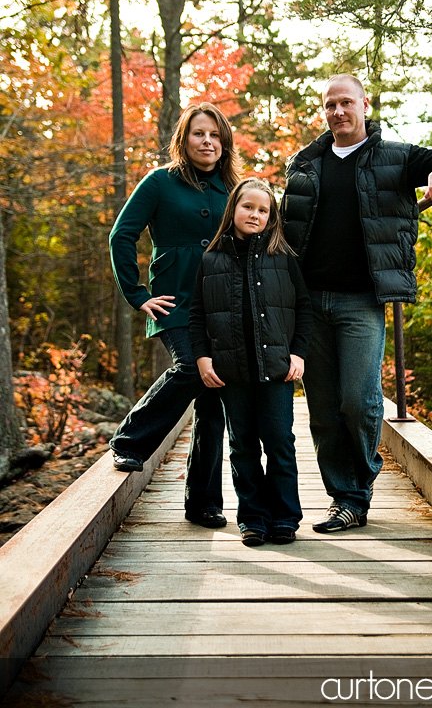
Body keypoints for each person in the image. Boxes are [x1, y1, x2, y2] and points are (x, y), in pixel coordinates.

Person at [281, 74, 432, 533]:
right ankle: (344, 499)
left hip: (361, 301)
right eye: (330, 105)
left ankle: (360, 483)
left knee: (359, 400)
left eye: (346, 103)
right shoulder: (304, 162)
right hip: (311, 302)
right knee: (323, 407)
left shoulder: (397, 157)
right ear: (323, 111)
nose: (338, 112)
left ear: (365, 104)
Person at [108, 102, 241, 529]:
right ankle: (130, 440)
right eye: (200, 134)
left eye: (215, 136)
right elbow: (122, 235)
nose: (208, 142)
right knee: (189, 369)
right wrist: (138, 294)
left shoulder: (231, 188)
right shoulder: (160, 182)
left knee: (212, 401)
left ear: (225, 144)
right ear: (184, 139)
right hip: (173, 300)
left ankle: (203, 502)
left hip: (219, 304)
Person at [189, 178, 313, 546]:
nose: (255, 214)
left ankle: (284, 517)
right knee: (242, 446)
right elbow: (198, 314)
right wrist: (201, 357)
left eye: (263, 210)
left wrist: (298, 353)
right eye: (248, 207)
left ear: (271, 216)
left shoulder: (284, 258)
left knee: (279, 442)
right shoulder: (210, 260)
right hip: (231, 371)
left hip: (276, 368)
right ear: (233, 210)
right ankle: (253, 518)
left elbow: (302, 308)